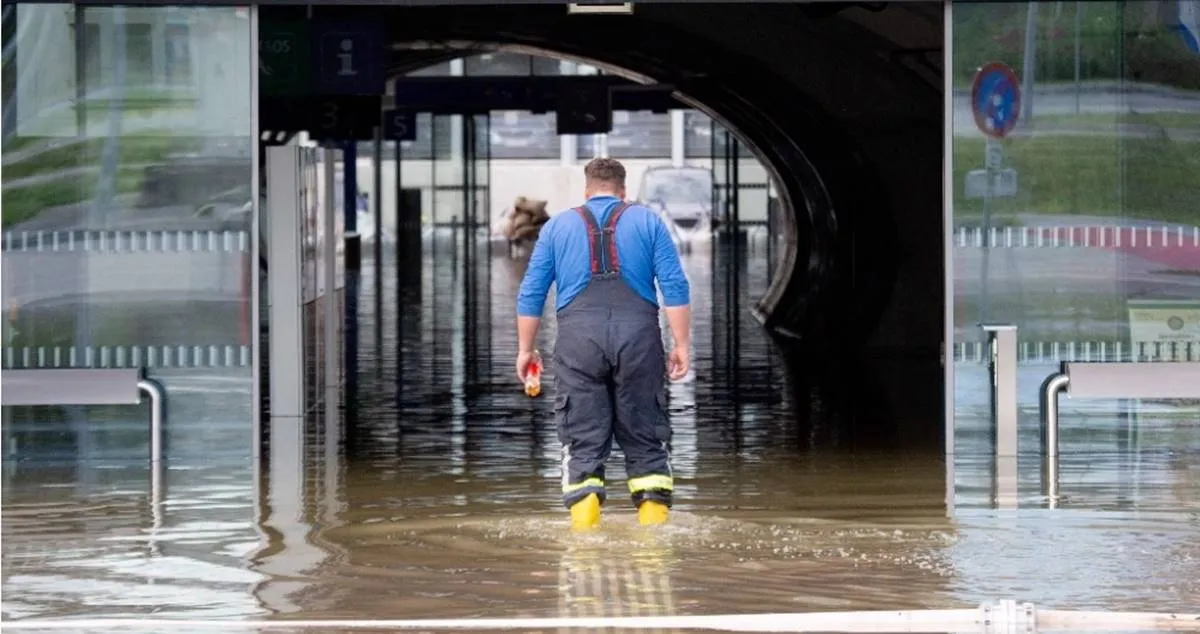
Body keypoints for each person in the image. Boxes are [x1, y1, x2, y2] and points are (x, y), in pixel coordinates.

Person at [515, 158, 692, 531]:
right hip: (639, 340)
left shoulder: (557, 227)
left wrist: (525, 350)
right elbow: (675, 287)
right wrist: (681, 344)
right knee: (646, 442)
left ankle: (584, 543)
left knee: (582, 444)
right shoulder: (648, 222)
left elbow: (531, 293)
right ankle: (653, 544)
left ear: (587, 190)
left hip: (579, 343)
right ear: (623, 190)